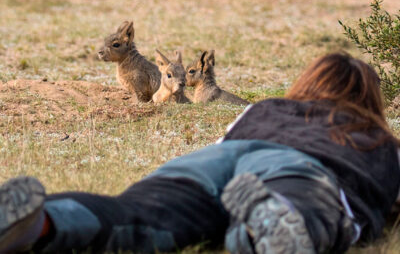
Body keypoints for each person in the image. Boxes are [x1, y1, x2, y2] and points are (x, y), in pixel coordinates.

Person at [0, 53, 399, 254]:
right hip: (299, 169)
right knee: (305, 208)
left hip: (212, 163)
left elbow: (229, 144)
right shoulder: (377, 139)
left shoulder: (265, 108)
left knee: (133, 215)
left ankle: (45, 221)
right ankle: (270, 224)